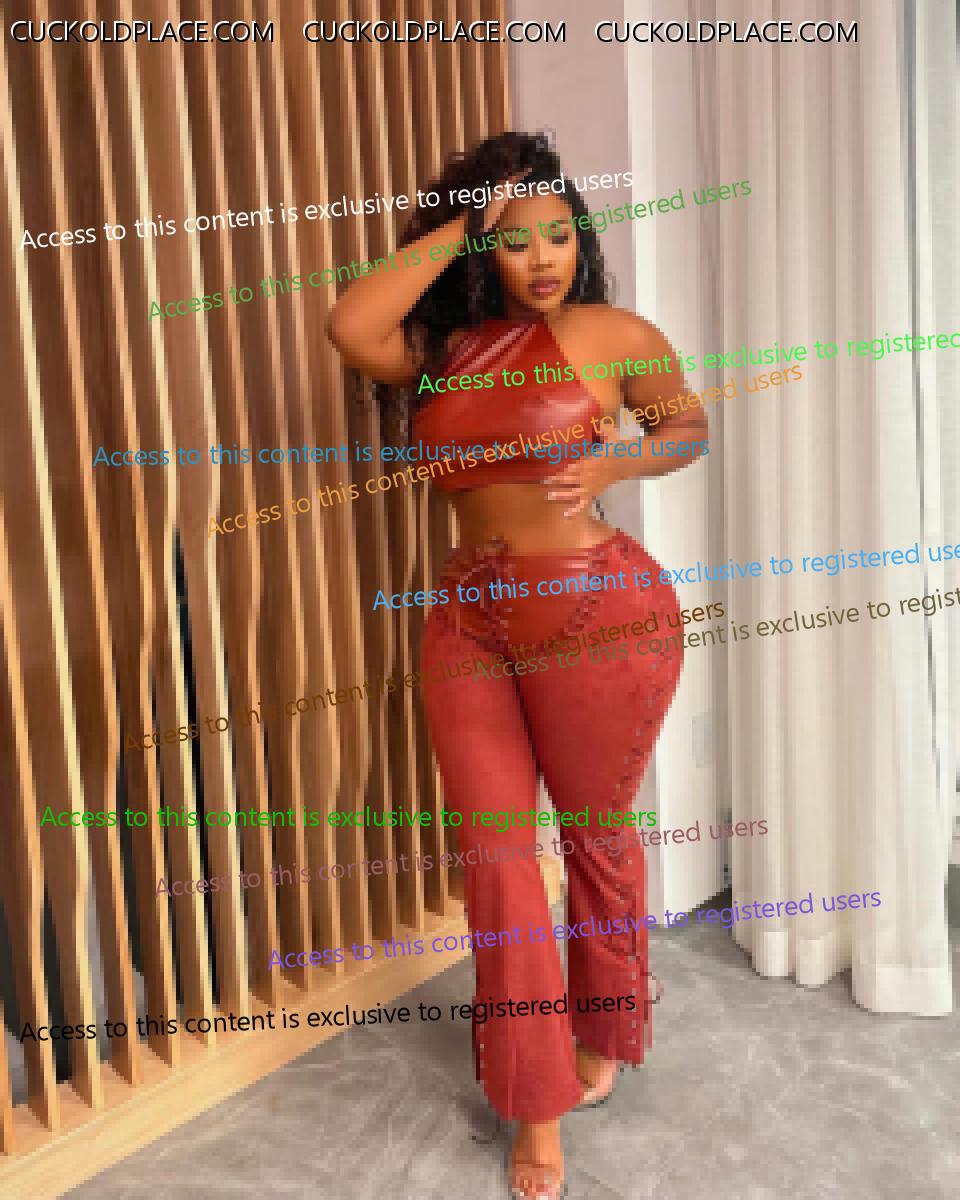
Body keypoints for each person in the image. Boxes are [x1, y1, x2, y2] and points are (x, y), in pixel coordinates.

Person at [328, 131, 707, 1200]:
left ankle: (607, 1029)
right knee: (497, 857)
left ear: (579, 241)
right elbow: (349, 324)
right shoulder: (440, 351)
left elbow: (684, 424)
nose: (542, 258)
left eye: (558, 235)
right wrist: (467, 219)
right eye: (516, 238)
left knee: (593, 834)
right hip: (469, 620)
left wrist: (623, 458)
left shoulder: (611, 332)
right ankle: (535, 1110)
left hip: (597, 609)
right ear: (483, 247)